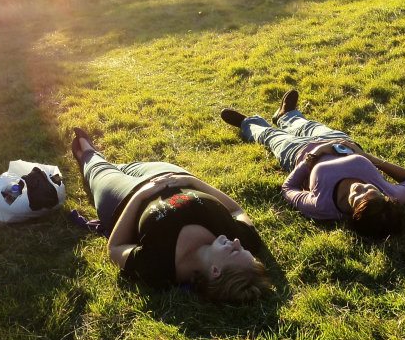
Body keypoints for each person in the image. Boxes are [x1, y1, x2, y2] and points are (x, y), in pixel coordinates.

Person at [70, 127, 271, 302]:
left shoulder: (158, 268)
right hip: (169, 174)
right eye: (242, 247)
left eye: (235, 251)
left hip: (123, 198)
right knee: (125, 166)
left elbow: (115, 248)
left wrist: (140, 196)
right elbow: (237, 211)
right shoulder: (246, 240)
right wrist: (194, 182)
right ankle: (108, 162)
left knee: (98, 168)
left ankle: (87, 153)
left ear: (215, 272)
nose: (236, 242)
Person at [220, 90, 405, 237]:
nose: (359, 187)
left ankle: (248, 123)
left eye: (356, 196)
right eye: (370, 190)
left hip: (299, 153)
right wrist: (371, 159)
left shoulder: (322, 205)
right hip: (338, 140)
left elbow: (288, 188)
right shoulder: (391, 195)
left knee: (270, 136)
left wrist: (312, 158)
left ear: (352, 213)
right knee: (305, 125)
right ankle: (286, 115)